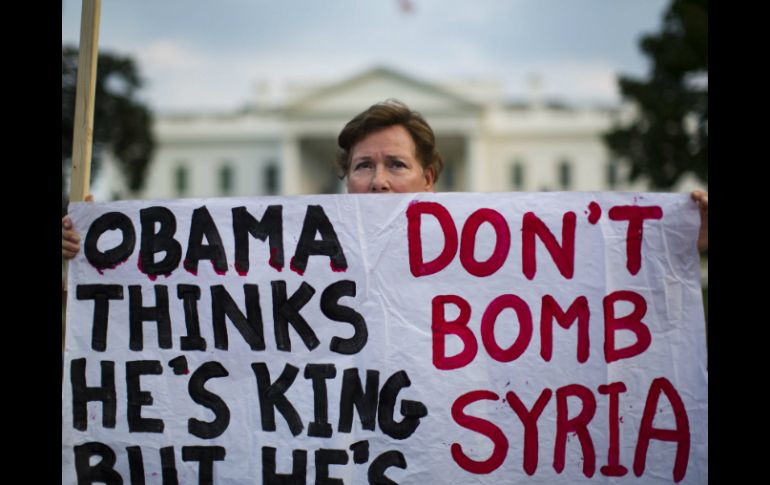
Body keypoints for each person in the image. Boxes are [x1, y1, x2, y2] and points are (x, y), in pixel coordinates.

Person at [62, 99, 708, 256]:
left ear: (430, 178)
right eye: (363, 166)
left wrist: (679, 240)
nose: (378, 181)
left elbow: (581, 266)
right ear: (344, 178)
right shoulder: (292, 257)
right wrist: (89, 252)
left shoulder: (490, 253)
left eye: (396, 164)